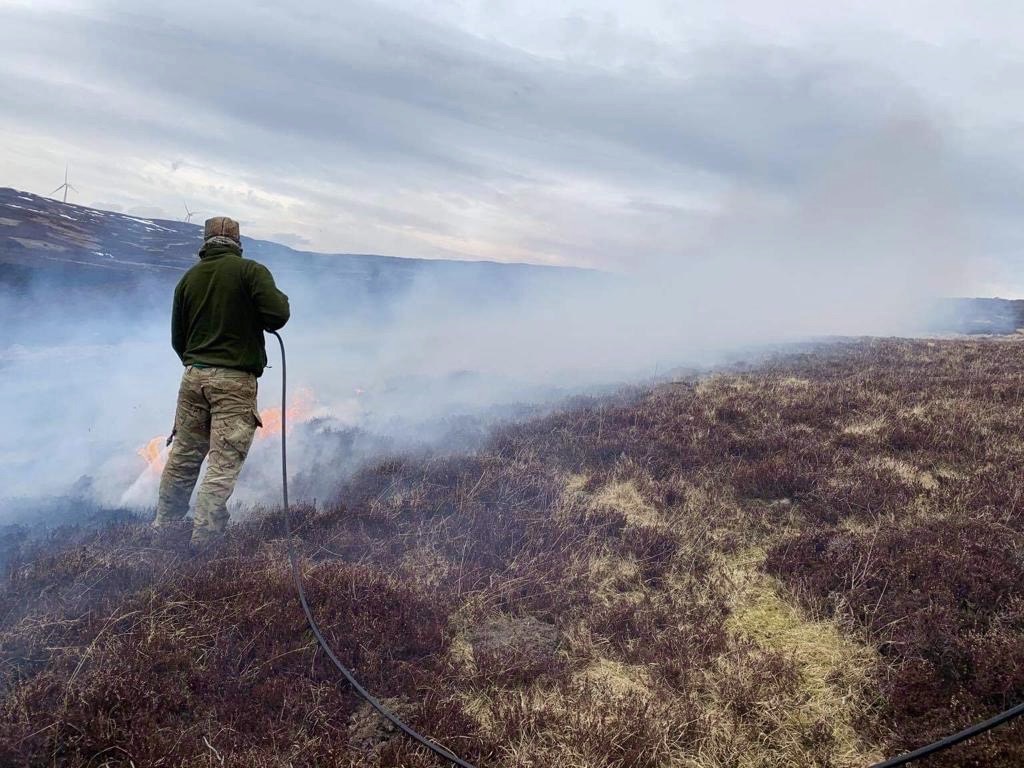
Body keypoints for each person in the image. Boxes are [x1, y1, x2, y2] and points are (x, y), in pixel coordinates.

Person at [152, 216, 290, 545]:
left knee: (184, 456)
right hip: (234, 383)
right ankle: (205, 541)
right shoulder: (251, 272)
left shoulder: (188, 279)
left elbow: (178, 338)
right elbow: (278, 315)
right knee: (223, 460)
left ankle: (164, 531)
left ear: (205, 241)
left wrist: (199, 363)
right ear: (238, 243)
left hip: (193, 377)